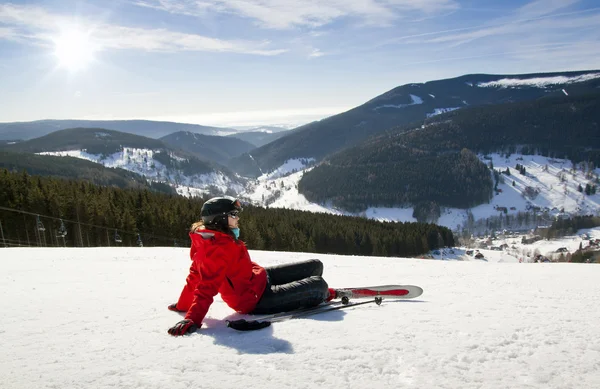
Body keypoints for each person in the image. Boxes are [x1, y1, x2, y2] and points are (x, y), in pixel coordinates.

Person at [167, 196, 337, 336]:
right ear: (220, 219)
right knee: (319, 285)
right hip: (255, 299)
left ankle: (312, 290)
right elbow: (205, 286)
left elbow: (195, 275)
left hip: (258, 279)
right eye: (233, 214)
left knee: (315, 265)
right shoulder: (216, 249)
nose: (238, 218)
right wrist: (192, 319)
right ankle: (322, 292)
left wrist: (183, 305)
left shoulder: (215, 239)